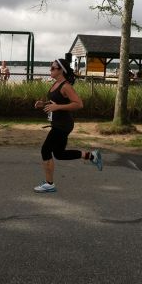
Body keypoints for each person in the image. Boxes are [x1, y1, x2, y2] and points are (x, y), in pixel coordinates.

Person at [34, 58, 103, 193]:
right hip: (58, 123)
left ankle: (49, 184)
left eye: (53, 68)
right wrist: (43, 104)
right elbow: (55, 101)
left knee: (45, 150)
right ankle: (92, 156)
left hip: (63, 125)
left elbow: (78, 104)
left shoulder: (66, 86)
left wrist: (57, 107)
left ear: (61, 71)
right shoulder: (55, 84)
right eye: (51, 67)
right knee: (59, 154)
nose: (50, 70)